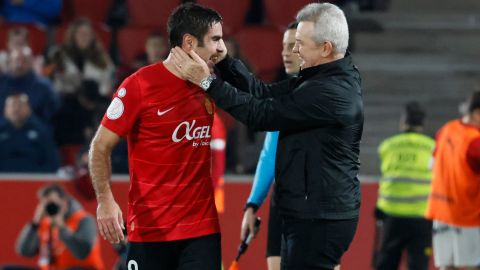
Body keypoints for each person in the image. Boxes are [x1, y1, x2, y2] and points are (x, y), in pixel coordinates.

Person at [172, 2, 363, 269]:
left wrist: (207, 82)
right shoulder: (321, 79)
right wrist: (225, 63)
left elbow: (260, 114)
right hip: (308, 213)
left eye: (300, 44)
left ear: (326, 48)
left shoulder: (330, 92)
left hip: (319, 220)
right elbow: (262, 92)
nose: (294, 50)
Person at [88, 3, 225, 269]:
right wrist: (105, 201)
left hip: (202, 231)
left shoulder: (212, 84)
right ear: (188, 42)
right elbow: (99, 146)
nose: (222, 49)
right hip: (151, 230)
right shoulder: (140, 85)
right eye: (216, 40)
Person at [241, 21, 301, 270]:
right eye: (283, 46)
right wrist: (252, 205)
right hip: (283, 200)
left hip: (319, 205)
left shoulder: (330, 96)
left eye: (293, 46)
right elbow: (269, 153)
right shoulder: (282, 96)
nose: (285, 52)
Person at [373, 102, 435, 270]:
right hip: (421, 216)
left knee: (386, 262)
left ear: (403, 121)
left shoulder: (387, 146)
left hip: (391, 216)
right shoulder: (433, 148)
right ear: (422, 123)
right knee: (418, 264)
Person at [425, 91, 480, 270]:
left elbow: (431, 164)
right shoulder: (475, 142)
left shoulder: (446, 129)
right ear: (476, 113)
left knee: (446, 266)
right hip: (467, 216)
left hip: (441, 212)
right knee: (471, 265)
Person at [16, 183, 104, 269]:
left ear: (65, 201)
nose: (51, 208)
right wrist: (35, 224)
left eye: (53, 203)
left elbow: (82, 252)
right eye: (46, 205)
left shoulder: (84, 220)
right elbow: (24, 251)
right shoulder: (45, 224)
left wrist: (61, 227)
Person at [47, 18, 115, 97]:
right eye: (80, 33)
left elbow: (108, 80)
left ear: (92, 36)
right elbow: (54, 80)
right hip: (67, 98)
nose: (84, 37)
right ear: (73, 36)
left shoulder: (101, 56)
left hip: (95, 99)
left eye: (87, 34)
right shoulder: (59, 55)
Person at [0, 93, 59, 172]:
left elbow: (52, 162)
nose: (16, 109)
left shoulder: (42, 131)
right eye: (12, 105)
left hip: (34, 179)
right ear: (5, 110)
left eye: (20, 105)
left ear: (29, 109)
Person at [0, 46, 59, 123]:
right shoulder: (2, 83)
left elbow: (50, 115)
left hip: (36, 129)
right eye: (16, 60)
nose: (20, 64)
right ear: (10, 62)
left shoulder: (44, 86)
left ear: (31, 62)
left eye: (24, 61)